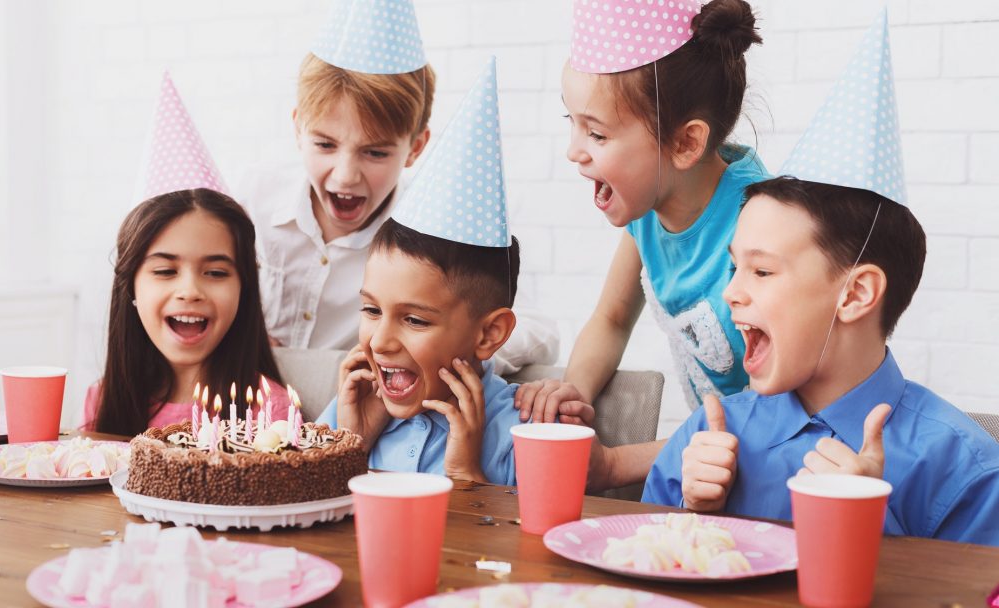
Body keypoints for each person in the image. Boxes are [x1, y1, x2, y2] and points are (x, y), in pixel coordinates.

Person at [642, 13, 999, 546]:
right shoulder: (706, 438)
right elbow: (634, 580)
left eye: (761, 271)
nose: (731, 292)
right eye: (734, 266)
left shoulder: (966, 467)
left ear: (855, 294)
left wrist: (872, 535)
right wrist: (695, 519)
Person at [237, 0, 557, 375]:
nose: (344, 176)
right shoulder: (254, 198)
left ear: (415, 147)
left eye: (375, 152)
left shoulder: (432, 233)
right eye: (325, 145)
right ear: (297, 129)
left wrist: (436, 347)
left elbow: (540, 332)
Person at [516, 0, 767, 452]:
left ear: (686, 142)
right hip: (712, 456)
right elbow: (612, 319)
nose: (575, 151)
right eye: (570, 123)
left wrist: (616, 464)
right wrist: (575, 387)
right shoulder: (650, 211)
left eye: (596, 133)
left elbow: (774, 410)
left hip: (770, 458)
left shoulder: (762, 232)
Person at [317, 59, 528, 485]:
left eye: (414, 319)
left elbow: (519, 548)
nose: (379, 341)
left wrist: (467, 476)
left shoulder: (519, 435)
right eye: (371, 310)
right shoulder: (352, 405)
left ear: (488, 335)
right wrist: (349, 445)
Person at [84, 74, 288, 435]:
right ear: (131, 286)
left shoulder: (269, 411)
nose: (190, 290)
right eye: (165, 271)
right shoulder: (102, 401)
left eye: (216, 272)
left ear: (245, 289)